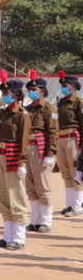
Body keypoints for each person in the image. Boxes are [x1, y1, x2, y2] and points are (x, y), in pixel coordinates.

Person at [0, 71, 30, 250]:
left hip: (13, 158)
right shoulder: (4, 113)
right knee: (3, 196)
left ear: (16, 94)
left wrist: (22, 162)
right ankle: (8, 235)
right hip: (1, 155)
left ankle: (18, 238)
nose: (4, 96)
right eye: (3, 93)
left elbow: (24, 140)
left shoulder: (23, 115)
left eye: (7, 93)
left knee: (16, 196)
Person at [24, 70, 59, 232]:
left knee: (43, 186)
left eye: (34, 90)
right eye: (30, 90)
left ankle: (46, 221)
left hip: (41, 149)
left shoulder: (49, 109)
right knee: (30, 185)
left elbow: (53, 133)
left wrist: (50, 154)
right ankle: (35, 220)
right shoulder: (28, 109)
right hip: (28, 148)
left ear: (42, 91)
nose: (31, 92)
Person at [55, 70, 83, 216]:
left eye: (65, 85)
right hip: (60, 138)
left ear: (73, 86)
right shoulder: (61, 101)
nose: (63, 87)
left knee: (75, 172)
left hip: (73, 138)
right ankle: (70, 205)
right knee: (65, 172)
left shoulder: (79, 102)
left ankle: (77, 206)